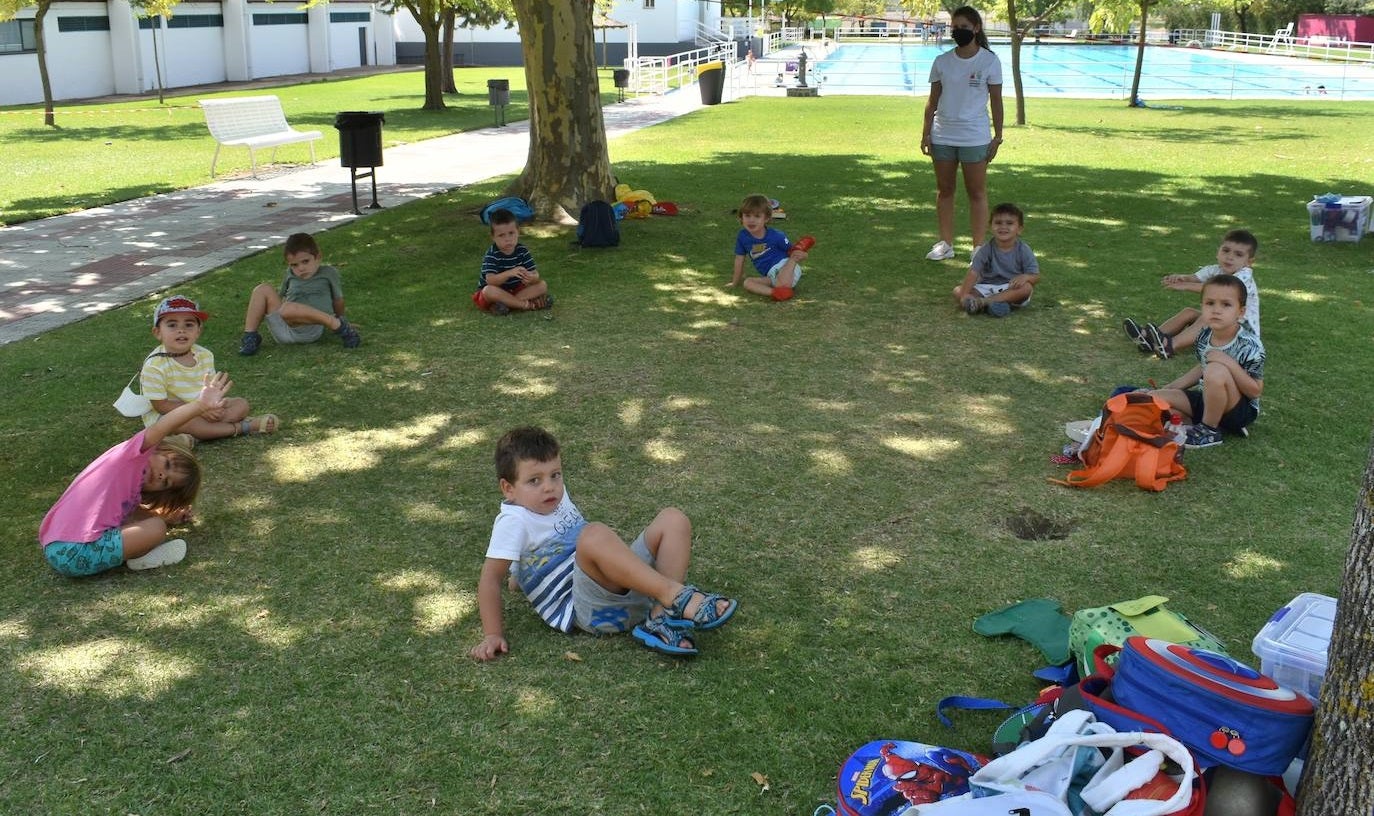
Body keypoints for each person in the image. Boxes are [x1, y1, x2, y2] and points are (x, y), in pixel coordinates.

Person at [470, 427, 738, 660]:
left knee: (674, 519)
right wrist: (493, 634)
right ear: (508, 488)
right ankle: (676, 596)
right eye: (534, 480)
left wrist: (519, 576)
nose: (549, 487)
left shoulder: (551, 498)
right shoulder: (513, 522)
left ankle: (660, 618)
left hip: (618, 586)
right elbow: (490, 578)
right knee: (592, 534)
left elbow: (543, 542)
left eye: (556, 474)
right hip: (589, 608)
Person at [39, 372, 231, 577]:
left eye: (166, 482)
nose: (161, 476)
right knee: (157, 528)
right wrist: (199, 406)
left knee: (153, 521)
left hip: (56, 546)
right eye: (167, 464)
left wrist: (168, 515)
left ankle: (141, 545)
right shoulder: (130, 455)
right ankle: (141, 557)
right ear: (158, 448)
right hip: (76, 550)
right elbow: (163, 426)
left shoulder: (129, 488)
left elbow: (133, 515)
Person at [921, 6, 1003, 263]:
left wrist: (998, 137)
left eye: (964, 27)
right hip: (942, 135)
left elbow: (997, 101)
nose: (958, 32)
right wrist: (926, 134)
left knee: (976, 192)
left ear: (976, 28)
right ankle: (945, 244)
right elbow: (932, 101)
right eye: (954, 28)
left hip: (975, 137)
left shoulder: (989, 61)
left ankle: (978, 248)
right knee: (944, 190)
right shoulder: (942, 61)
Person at [1145, 274, 1263, 449]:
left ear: (1241, 312)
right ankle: (1190, 422)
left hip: (1238, 409)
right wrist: (1170, 387)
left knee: (1216, 370)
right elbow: (1202, 367)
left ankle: (1209, 431)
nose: (1216, 310)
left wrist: (1228, 362)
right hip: (1208, 399)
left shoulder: (1249, 344)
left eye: (1226, 304)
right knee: (1152, 399)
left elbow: (1255, 391)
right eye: (1210, 303)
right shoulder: (1204, 335)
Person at [139, 295, 277, 442]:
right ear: (158, 332)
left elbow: (210, 391)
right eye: (172, 325)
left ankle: (190, 437)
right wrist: (199, 410)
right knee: (190, 424)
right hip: (170, 415)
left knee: (241, 405)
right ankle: (243, 427)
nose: (181, 330)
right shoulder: (154, 366)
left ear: (198, 331)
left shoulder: (205, 355)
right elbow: (161, 406)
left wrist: (213, 407)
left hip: (203, 407)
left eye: (189, 325)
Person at [1123, 229, 1260, 360]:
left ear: (1249, 262)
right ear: (1218, 252)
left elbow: (1217, 290)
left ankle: (1170, 346)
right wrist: (1180, 278)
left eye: (1238, 255)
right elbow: (1194, 277)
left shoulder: (1244, 276)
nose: (1230, 257)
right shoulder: (1215, 269)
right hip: (1225, 324)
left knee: (1208, 318)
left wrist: (1186, 286)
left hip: (1242, 335)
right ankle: (1148, 338)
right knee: (1189, 312)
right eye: (1226, 250)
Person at [238, 232, 361, 355]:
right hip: (283, 327)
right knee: (263, 289)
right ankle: (250, 337)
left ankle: (340, 327)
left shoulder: (328, 273)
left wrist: (341, 318)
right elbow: (280, 298)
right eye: (294, 265)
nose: (301, 268)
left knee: (287, 309)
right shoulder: (290, 274)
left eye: (305, 261)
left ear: (318, 257)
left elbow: (338, 300)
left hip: (309, 328)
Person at [951, 202, 1039, 317]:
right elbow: (973, 272)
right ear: (990, 227)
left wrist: (1025, 277)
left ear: (1019, 229)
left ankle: (984, 303)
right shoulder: (985, 249)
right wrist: (964, 295)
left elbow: (1035, 276)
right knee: (958, 291)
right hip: (986, 287)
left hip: (1010, 288)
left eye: (1009, 223)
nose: (1003, 227)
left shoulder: (1023, 250)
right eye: (998, 223)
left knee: (1026, 288)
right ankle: (993, 305)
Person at [729, 194, 812, 302]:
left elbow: (791, 251)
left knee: (784, 276)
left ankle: (799, 250)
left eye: (757, 216)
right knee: (747, 282)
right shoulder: (742, 237)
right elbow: (739, 260)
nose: (751, 220)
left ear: (766, 218)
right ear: (741, 217)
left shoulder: (776, 236)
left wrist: (802, 254)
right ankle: (775, 293)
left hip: (787, 267)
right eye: (747, 216)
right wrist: (735, 282)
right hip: (771, 276)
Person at [473, 209, 553, 315]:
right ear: (493, 237)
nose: (508, 239)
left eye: (511, 233)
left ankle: (506, 305)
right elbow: (491, 281)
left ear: (518, 232)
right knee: (488, 290)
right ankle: (527, 305)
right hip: (495, 291)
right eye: (501, 235)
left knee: (542, 285)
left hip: (516, 290)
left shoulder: (522, 251)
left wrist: (531, 277)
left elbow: (535, 274)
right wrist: (509, 273)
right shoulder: (492, 254)